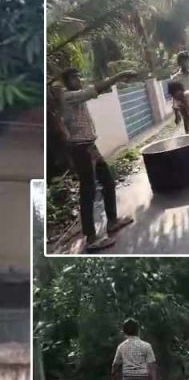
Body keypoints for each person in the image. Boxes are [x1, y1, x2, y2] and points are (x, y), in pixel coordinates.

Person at [58, 67, 136, 252]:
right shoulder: (69, 97)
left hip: (89, 146)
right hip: (80, 148)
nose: (80, 80)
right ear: (68, 80)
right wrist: (120, 74)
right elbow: (96, 89)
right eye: (76, 77)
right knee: (88, 191)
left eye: (79, 76)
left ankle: (112, 221)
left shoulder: (76, 96)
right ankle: (91, 239)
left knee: (108, 181)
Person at [170, 51, 189, 133]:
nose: (184, 63)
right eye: (181, 61)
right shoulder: (175, 78)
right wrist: (176, 114)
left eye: (185, 61)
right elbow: (174, 97)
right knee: (186, 123)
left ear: (188, 61)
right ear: (179, 63)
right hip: (182, 105)